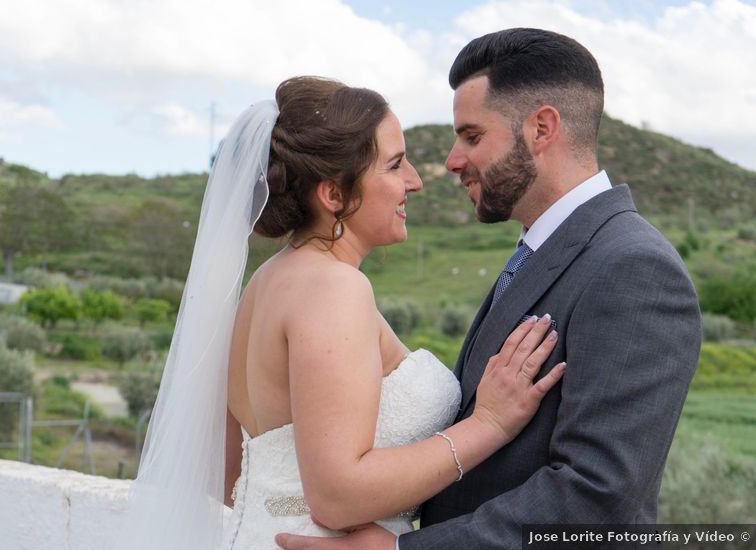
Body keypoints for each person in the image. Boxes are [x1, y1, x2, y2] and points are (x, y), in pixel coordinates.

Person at [275, 28, 702, 550]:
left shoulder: (632, 268)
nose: (452, 161)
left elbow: (599, 498)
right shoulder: (540, 253)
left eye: (472, 137)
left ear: (542, 128)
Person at [122, 75, 564, 549]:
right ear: (334, 195)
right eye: (395, 165)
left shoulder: (267, 283)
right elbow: (337, 496)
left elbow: (232, 472)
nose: (414, 181)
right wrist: (488, 426)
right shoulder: (333, 288)